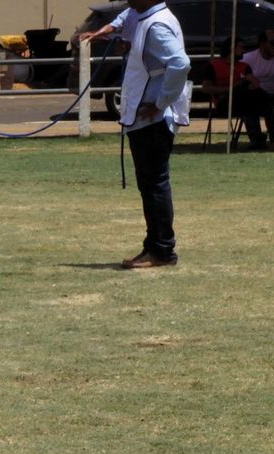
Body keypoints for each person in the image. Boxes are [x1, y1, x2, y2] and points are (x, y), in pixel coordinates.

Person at [77, 0, 189, 270]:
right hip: (145, 117)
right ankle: (155, 247)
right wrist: (105, 33)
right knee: (151, 186)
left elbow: (180, 64)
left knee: (154, 185)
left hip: (153, 118)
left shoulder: (156, 25)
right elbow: (124, 18)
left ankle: (162, 250)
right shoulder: (143, 15)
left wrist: (161, 102)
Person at [239, 29, 274, 152]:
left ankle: (273, 140)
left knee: (267, 104)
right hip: (256, 96)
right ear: (262, 43)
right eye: (272, 43)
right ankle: (260, 140)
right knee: (253, 104)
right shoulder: (249, 58)